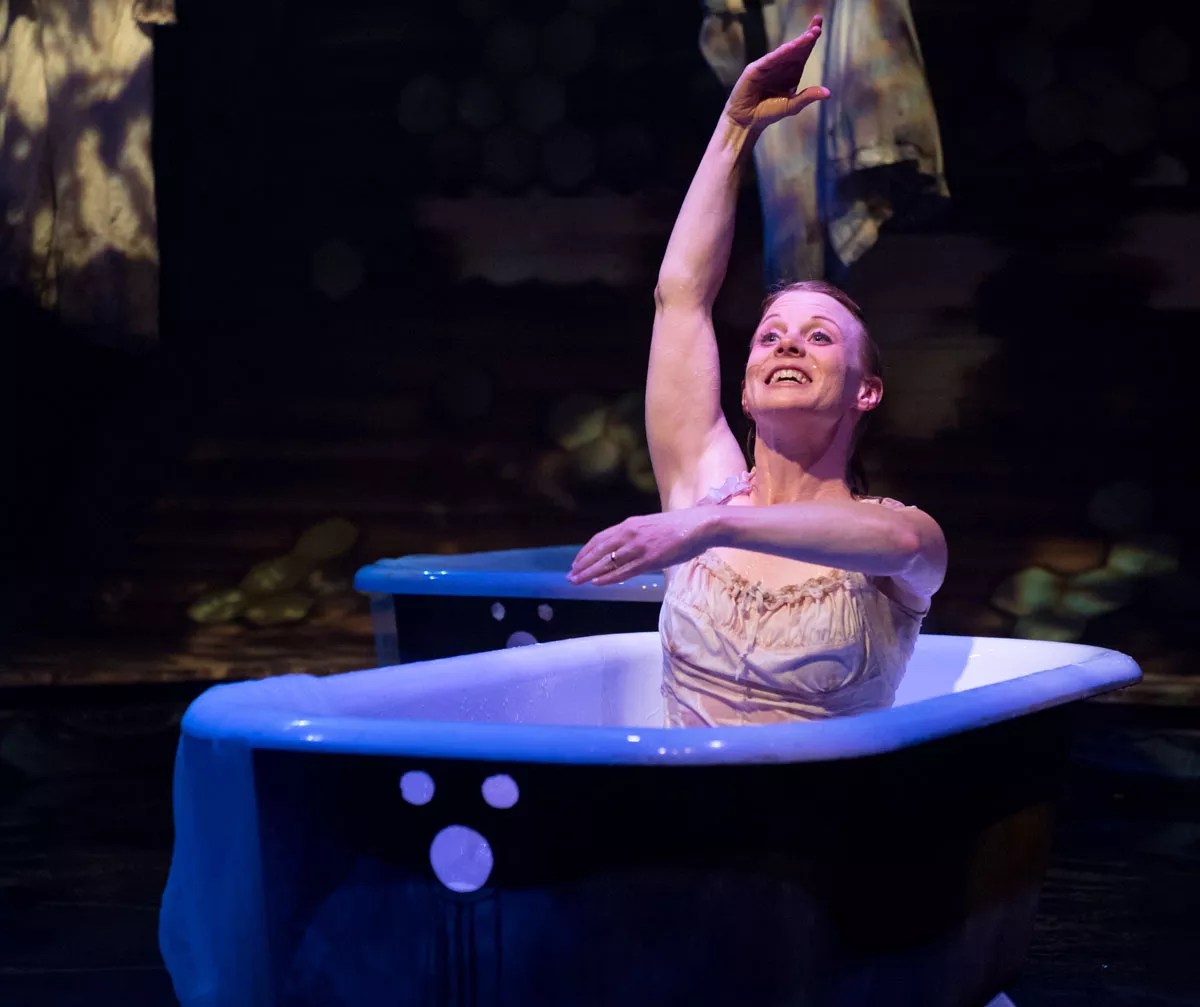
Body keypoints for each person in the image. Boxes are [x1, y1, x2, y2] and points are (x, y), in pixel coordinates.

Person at [567, 15, 947, 727]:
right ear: (743, 388)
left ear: (867, 390)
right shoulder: (701, 485)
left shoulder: (901, 531)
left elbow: (899, 548)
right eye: (770, 336)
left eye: (819, 337)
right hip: (684, 788)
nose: (788, 346)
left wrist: (708, 528)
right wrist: (735, 128)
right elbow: (681, 298)